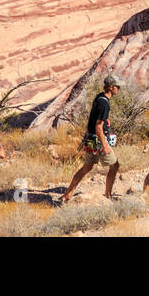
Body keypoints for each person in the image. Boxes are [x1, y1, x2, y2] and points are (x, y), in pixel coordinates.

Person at [62, 74, 122, 202]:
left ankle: (68, 193)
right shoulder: (104, 103)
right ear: (111, 87)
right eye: (117, 86)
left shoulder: (99, 97)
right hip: (99, 141)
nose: (119, 89)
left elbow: (94, 118)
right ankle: (108, 195)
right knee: (115, 165)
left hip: (91, 139)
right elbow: (98, 127)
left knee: (87, 167)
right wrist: (105, 145)